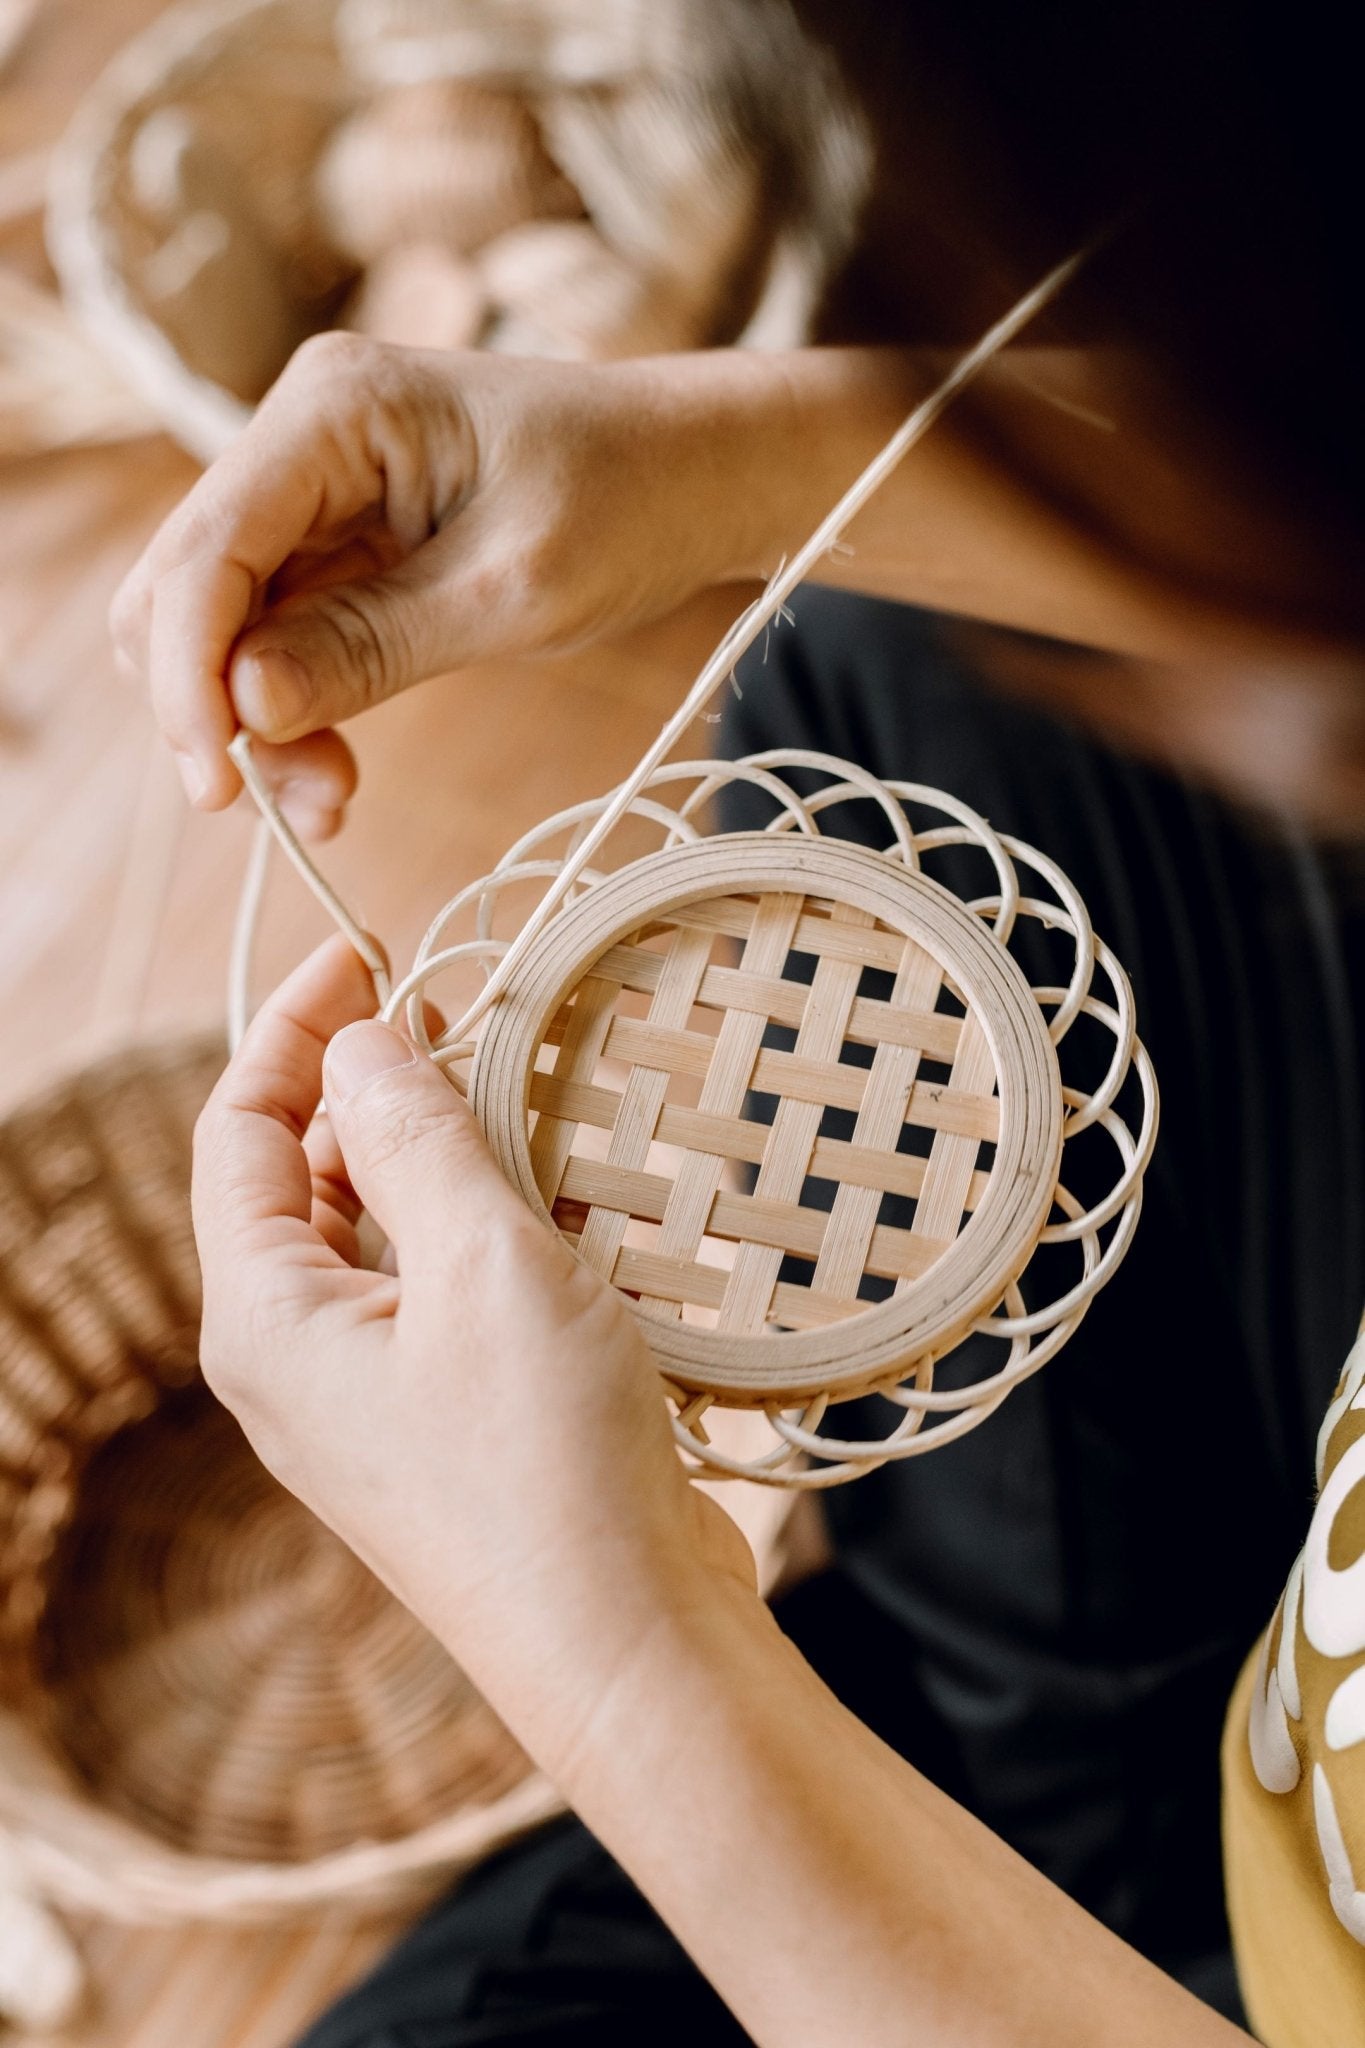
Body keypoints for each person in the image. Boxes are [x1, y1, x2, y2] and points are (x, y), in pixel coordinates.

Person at [112, 2, 1364, 2040]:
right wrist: (714, 462)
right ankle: (1045, 1748)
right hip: (1271, 1652)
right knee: (906, 641)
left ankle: (1028, 1801)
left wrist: (629, 1663)